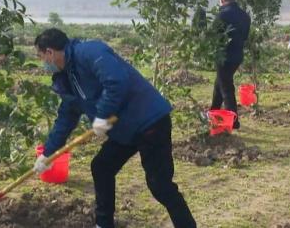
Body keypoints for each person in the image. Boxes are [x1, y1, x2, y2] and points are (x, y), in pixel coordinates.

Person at [32, 28, 197, 228]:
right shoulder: (68, 78)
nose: (44, 64)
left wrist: (101, 114)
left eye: (41, 57)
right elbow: (65, 118)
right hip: (125, 129)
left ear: (50, 52)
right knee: (101, 167)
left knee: (160, 185)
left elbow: (116, 81)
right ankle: (104, 224)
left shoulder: (89, 52)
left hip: (148, 120)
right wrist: (48, 154)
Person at [210, 0, 250, 129]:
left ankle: (233, 120)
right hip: (237, 55)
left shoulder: (221, 15)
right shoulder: (245, 15)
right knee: (220, 82)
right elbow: (245, 37)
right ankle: (213, 111)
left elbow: (212, 36)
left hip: (223, 56)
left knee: (226, 86)